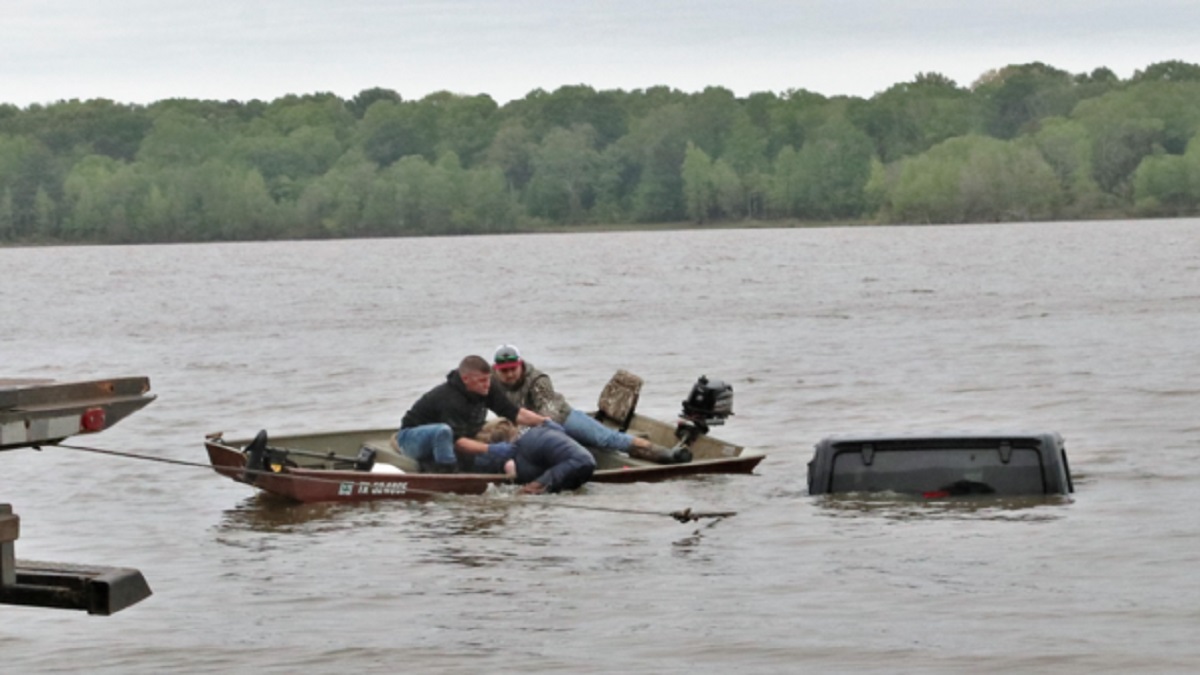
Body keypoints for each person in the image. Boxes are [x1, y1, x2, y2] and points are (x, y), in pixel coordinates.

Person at [489, 344, 688, 463]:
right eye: (503, 370)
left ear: (520, 364)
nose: (508, 374)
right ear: (496, 369)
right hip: (522, 426)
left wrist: (522, 433)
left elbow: (549, 415)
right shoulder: (488, 380)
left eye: (512, 369)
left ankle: (667, 454)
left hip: (561, 418)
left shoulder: (538, 380)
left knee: (606, 439)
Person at [397, 355, 549, 473]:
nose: (487, 385)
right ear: (466, 379)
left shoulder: (487, 388)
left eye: (489, 379)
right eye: (482, 381)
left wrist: (544, 421)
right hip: (412, 439)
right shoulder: (450, 399)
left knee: (502, 428)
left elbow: (514, 413)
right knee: (443, 432)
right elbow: (458, 442)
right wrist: (490, 449)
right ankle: (447, 473)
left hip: (457, 436)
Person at [475, 419, 596, 494]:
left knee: (525, 492)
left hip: (578, 462)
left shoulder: (520, 450)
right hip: (584, 462)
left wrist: (533, 486)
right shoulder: (534, 433)